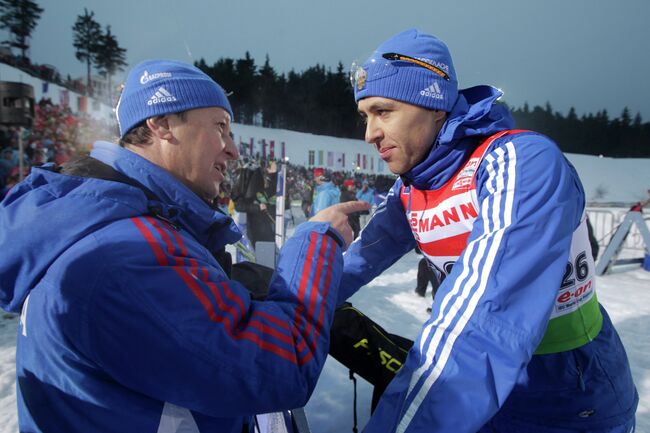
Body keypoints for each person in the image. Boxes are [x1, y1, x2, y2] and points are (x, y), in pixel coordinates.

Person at [0, 59, 369, 433]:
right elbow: (280, 365)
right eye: (220, 127)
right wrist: (314, 242)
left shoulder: (118, 227)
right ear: (160, 124)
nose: (233, 150)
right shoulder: (124, 255)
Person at [340, 29, 637, 433]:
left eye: (384, 111)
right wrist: (278, 295)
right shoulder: (412, 186)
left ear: (435, 106)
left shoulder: (519, 160)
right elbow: (355, 260)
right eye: (365, 116)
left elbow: (486, 316)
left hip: (568, 392)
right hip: (484, 392)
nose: (369, 133)